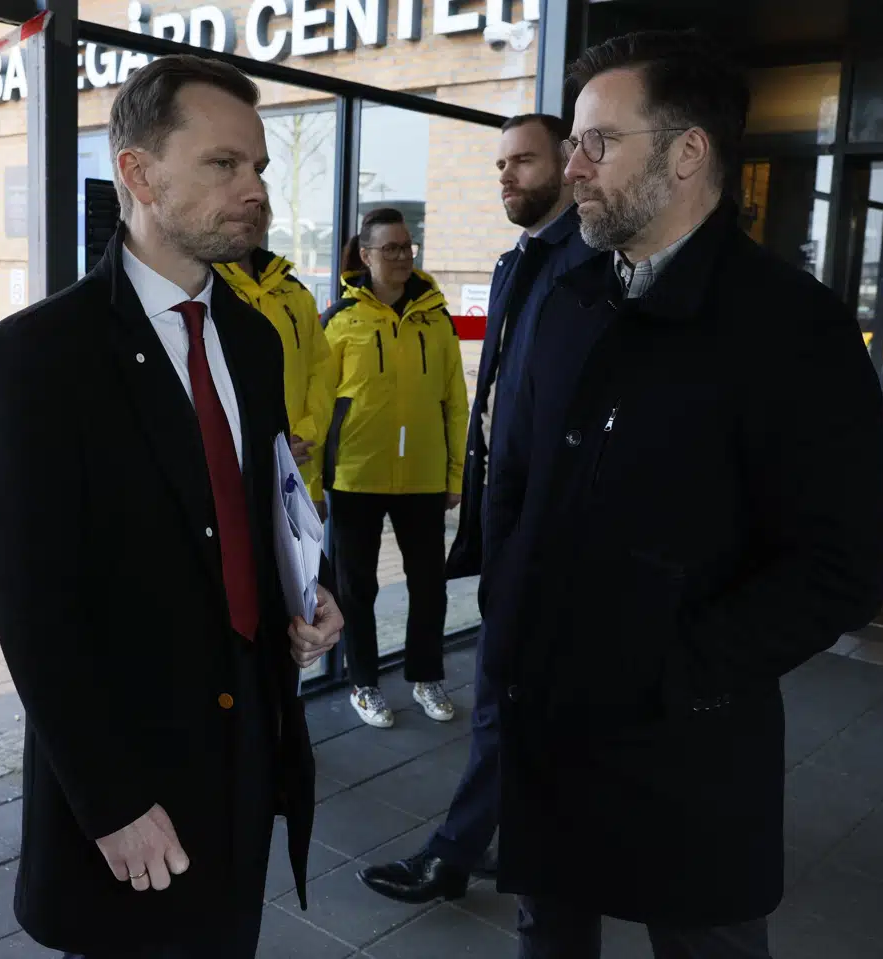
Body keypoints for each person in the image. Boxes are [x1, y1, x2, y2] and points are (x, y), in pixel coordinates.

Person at [480, 30, 883, 958]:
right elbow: (512, 482)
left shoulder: (794, 327)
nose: (572, 166)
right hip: (549, 716)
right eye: (575, 142)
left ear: (687, 153)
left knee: (707, 942)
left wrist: (676, 669)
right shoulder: (569, 293)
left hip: (690, 738)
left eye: (599, 142)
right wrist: (506, 611)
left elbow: (841, 569)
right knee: (549, 927)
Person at [0, 54, 344, 959]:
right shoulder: (39, 359)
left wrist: (305, 596)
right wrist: (112, 800)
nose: (256, 188)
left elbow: (253, 511)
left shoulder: (252, 339)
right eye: (225, 165)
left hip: (252, 746)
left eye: (258, 165)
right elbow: (32, 607)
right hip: (135, 778)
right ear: (137, 172)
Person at [357, 114, 600, 903]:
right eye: (498, 163)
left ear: (568, 163)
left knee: (504, 687)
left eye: (521, 160)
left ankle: (457, 851)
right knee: (512, 688)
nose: (505, 176)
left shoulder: (594, 261)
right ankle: (509, 839)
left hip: (552, 522)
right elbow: (496, 391)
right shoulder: (513, 264)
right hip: (507, 511)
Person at [320, 208, 469, 728]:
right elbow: (320, 407)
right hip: (356, 477)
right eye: (391, 249)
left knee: (429, 584)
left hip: (424, 478)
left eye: (408, 247)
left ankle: (426, 676)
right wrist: (316, 484)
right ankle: (364, 683)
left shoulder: (437, 318)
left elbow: (455, 402)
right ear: (365, 255)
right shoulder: (340, 320)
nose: (403, 256)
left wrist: (455, 477)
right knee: (356, 587)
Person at [215, 199, 333, 510]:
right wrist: (263, 444)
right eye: (244, 205)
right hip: (230, 474)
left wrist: (306, 434)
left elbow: (321, 370)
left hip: (296, 465)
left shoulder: (295, 292)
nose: (252, 216)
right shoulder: (204, 287)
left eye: (261, 208)